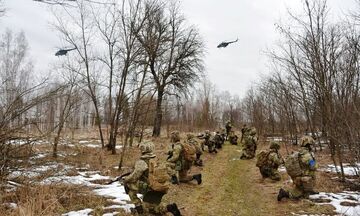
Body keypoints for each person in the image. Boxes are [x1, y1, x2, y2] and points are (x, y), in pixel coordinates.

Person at [123, 141, 181, 216]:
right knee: (153, 209)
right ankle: (169, 208)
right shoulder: (157, 159)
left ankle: (138, 207)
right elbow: (169, 170)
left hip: (150, 187)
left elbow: (134, 177)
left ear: (142, 149)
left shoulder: (142, 162)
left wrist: (126, 179)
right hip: (162, 186)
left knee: (128, 185)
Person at [277, 135, 318, 201]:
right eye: (311, 144)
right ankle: (284, 193)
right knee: (299, 195)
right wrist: (315, 164)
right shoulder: (306, 154)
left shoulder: (300, 152)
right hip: (303, 178)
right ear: (308, 144)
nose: (312, 146)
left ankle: (307, 190)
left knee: (302, 191)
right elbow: (313, 166)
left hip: (298, 177)